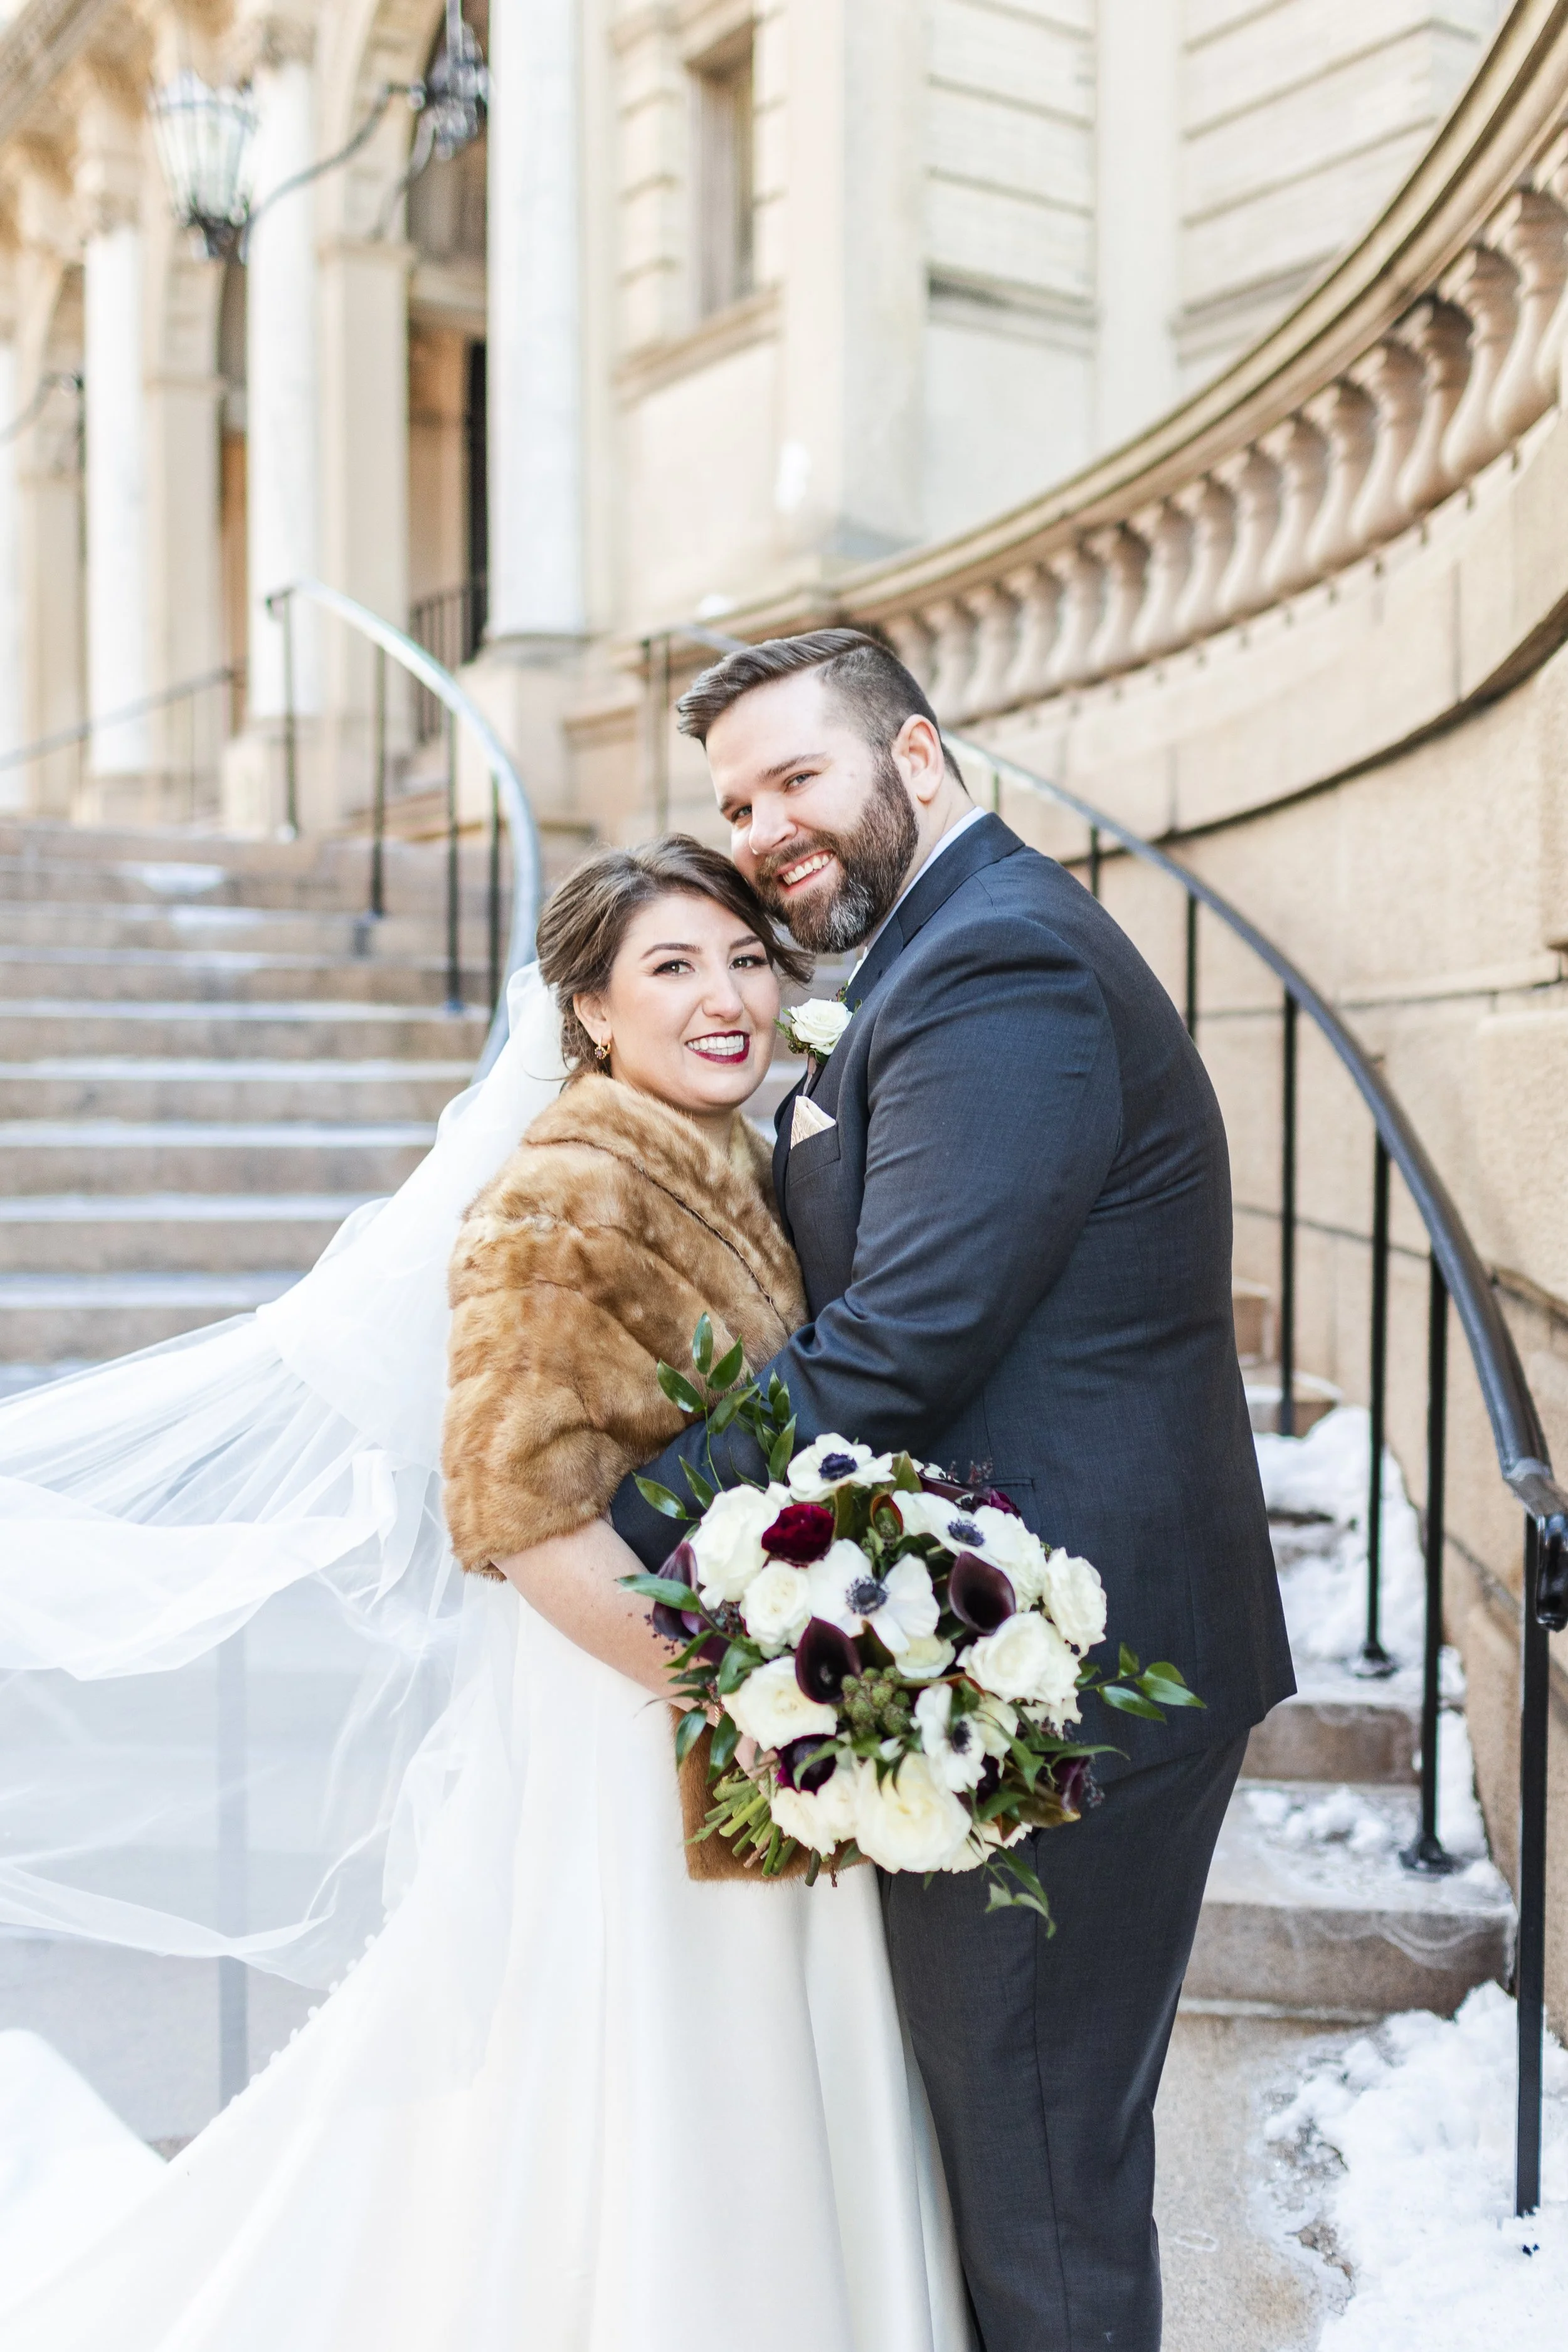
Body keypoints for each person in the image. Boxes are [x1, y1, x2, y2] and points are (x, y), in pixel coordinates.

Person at [0, 840, 970, 2352]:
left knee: (761, 2068)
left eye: (744, 959)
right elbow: (521, 1525)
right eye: (671, 967)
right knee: (673, 2074)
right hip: (641, 1715)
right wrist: (759, 1698)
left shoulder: (743, 1156)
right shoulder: (559, 1196)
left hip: (742, 1708)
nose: (724, 997)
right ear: (586, 1009)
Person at [610, 630, 1295, 2352]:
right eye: (735, 801)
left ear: (914, 756)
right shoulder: (929, 955)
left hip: (1074, 1675)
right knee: (1005, 2164)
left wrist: (616, 1517)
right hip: (975, 1653)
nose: (765, 827)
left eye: (798, 779)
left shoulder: (999, 969)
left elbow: (900, 1336)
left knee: (1039, 2175)